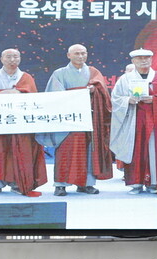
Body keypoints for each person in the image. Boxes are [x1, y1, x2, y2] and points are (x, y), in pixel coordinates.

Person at [109, 48, 157, 197]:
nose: (143, 61)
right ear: (133, 61)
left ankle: (154, 182)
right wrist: (128, 100)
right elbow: (116, 98)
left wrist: (155, 100)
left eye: (146, 58)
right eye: (139, 58)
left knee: (154, 150)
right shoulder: (125, 79)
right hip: (134, 119)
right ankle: (136, 182)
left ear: (151, 60)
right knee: (136, 150)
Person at [42, 44, 112, 197]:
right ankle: (61, 184)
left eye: (83, 53)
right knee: (65, 150)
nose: (80, 56)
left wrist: (95, 91)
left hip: (89, 118)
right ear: (69, 55)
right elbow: (55, 95)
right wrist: (80, 93)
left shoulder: (93, 72)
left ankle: (86, 183)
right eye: (77, 54)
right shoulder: (59, 73)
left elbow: (103, 91)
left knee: (88, 151)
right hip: (68, 119)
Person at [0, 48, 47, 197]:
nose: (12, 60)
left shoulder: (26, 77)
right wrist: (13, 93)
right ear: (1, 59)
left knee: (21, 152)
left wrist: (3, 93)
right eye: (9, 57)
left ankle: (18, 183)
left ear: (20, 59)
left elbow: (32, 98)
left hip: (21, 124)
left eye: (16, 57)